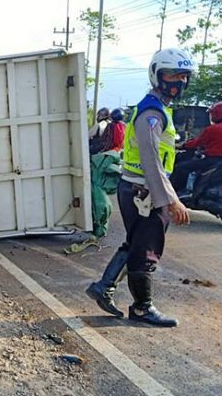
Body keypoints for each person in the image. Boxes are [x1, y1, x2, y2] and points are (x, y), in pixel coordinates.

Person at [85, 48, 194, 327]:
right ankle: (142, 308)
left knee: (135, 245)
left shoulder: (158, 109)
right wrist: (171, 200)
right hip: (143, 192)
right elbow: (151, 162)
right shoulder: (151, 113)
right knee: (146, 251)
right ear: (157, 76)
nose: (178, 82)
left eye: (183, 76)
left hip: (138, 189)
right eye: (172, 75)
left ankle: (104, 286)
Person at [169, 101, 222, 195]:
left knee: (181, 168)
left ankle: (181, 192)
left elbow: (198, 142)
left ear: (217, 113)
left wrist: (183, 145)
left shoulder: (213, 129)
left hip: (213, 160)